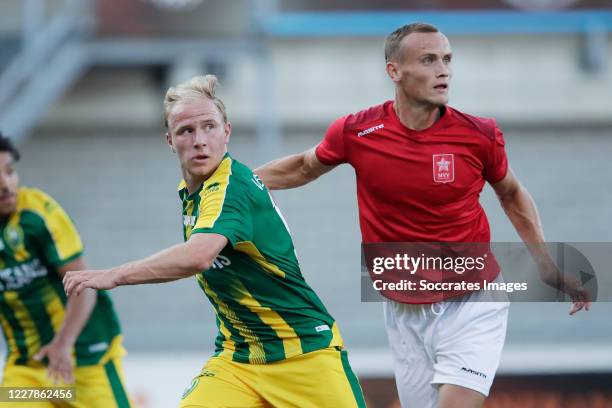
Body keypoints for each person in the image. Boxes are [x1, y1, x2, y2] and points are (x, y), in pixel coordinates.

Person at [253, 23, 591, 408]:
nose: (442, 70)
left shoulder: (478, 134)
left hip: (474, 301)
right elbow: (302, 166)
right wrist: (230, 185)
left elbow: (512, 193)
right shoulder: (358, 131)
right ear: (394, 71)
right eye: (428, 60)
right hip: (403, 309)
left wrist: (545, 266)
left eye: (447, 60)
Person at [63, 75, 366, 408]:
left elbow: (199, 256)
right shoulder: (199, 193)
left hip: (303, 353)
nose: (199, 141)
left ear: (227, 132)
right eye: (186, 131)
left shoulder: (229, 188)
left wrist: (115, 275)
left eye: (209, 127)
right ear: (169, 141)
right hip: (238, 361)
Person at [0, 134, 131, 407]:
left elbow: (85, 286)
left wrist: (62, 345)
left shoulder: (38, 213)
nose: (5, 185)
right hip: (29, 371)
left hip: (84, 361)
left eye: (10, 171)